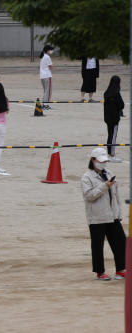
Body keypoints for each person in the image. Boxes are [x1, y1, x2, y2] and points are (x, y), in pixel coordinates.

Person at [81, 148, 126, 281]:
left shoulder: (110, 173)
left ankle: (120, 270)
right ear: (92, 160)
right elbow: (89, 196)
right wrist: (104, 186)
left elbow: (116, 195)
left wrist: (119, 212)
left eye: (105, 161)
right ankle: (100, 272)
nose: (103, 163)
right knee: (97, 245)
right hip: (97, 217)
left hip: (112, 215)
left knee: (120, 242)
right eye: (100, 161)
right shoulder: (86, 177)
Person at [103, 76, 125, 163]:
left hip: (107, 117)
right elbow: (121, 105)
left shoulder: (107, 93)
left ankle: (110, 153)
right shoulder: (116, 94)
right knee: (113, 136)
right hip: (114, 118)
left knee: (110, 135)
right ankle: (111, 155)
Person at [40, 45, 54, 110]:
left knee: (45, 91)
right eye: (50, 50)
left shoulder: (42, 57)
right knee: (48, 91)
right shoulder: (47, 57)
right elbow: (51, 66)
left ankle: (43, 104)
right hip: (47, 76)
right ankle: (46, 104)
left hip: (42, 76)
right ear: (48, 51)